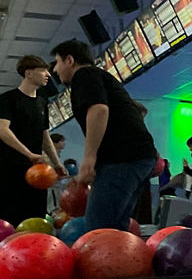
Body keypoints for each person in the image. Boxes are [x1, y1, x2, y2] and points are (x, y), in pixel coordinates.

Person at [50, 39, 157, 232]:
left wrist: (89, 158)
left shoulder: (84, 74)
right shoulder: (99, 76)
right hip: (137, 157)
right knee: (115, 227)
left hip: (123, 158)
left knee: (99, 228)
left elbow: (99, 110)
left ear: (70, 60)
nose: (55, 70)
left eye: (57, 62)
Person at [0, 55, 65, 226]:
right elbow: (2, 130)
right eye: (42, 70)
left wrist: (57, 163)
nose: (48, 75)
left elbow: (45, 137)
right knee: (11, 217)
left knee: (35, 215)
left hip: (36, 171)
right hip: (10, 169)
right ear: (28, 73)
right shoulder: (7, 99)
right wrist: (29, 154)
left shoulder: (42, 103)